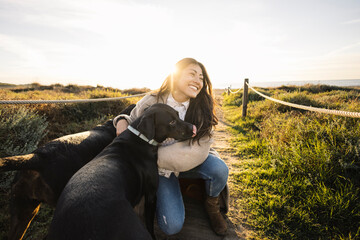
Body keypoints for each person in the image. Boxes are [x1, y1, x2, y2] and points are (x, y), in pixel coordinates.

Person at [113, 58, 229, 236]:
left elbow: (199, 151)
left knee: (219, 169)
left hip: (190, 161)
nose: (198, 81)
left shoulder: (203, 107)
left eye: (201, 78)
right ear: (176, 74)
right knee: (171, 226)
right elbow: (135, 119)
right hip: (161, 170)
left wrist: (148, 158)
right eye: (192, 74)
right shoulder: (153, 100)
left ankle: (211, 205)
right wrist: (121, 120)